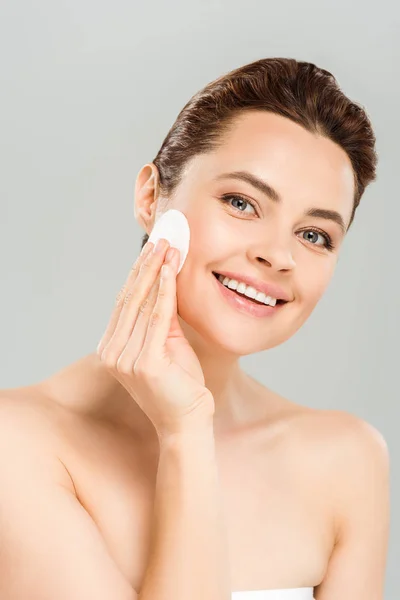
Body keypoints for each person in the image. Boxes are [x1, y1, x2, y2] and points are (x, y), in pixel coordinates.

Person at [0, 57, 390, 600]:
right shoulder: (15, 447)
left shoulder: (348, 460)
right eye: (241, 202)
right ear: (150, 197)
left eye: (315, 235)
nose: (277, 254)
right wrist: (185, 435)